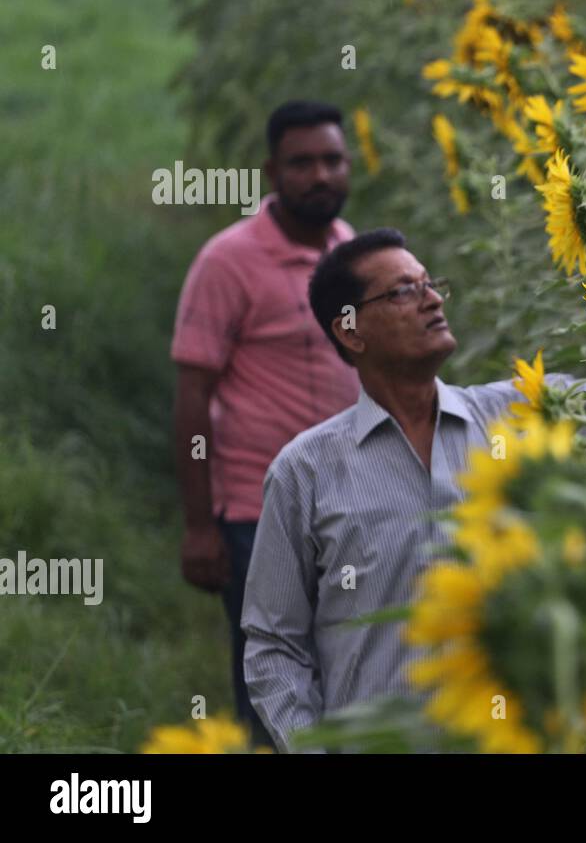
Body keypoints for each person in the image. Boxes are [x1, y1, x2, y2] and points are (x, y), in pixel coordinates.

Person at [242, 228, 586, 752]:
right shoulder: (306, 470)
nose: (433, 299)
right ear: (349, 331)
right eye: (402, 292)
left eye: (430, 284)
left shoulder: (519, 413)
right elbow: (274, 644)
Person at [171, 100, 359, 747]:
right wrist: (200, 526)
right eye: (302, 163)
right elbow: (193, 393)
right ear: (271, 170)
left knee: (353, 671)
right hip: (258, 510)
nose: (320, 176)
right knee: (274, 685)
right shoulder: (229, 261)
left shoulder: (351, 254)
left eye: (332, 160)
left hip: (348, 501)